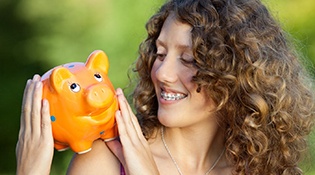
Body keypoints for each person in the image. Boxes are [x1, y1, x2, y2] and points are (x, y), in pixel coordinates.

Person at [16, 0, 315, 174]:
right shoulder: (103, 162)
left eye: (188, 59)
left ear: (237, 74)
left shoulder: (260, 169)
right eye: (159, 53)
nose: (163, 72)